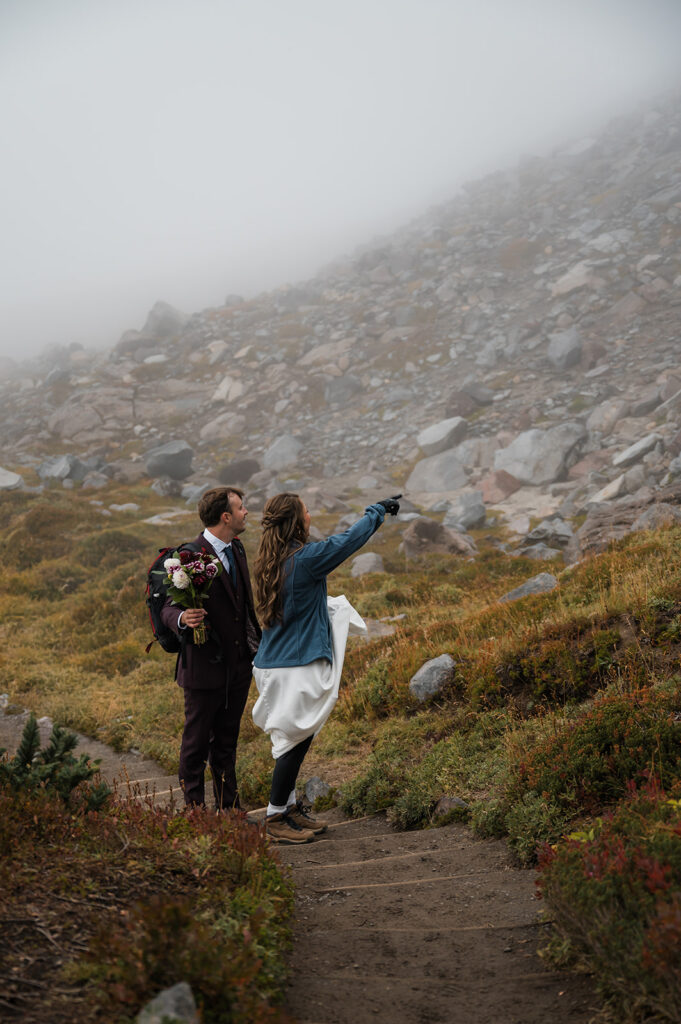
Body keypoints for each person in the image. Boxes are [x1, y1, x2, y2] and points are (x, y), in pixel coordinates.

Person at [252, 492, 400, 844]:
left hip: (277, 662)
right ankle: (275, 816)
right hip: (295, 664)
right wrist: (376, 512)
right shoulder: (303, 560)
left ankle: (287, 810)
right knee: (294, 743)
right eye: (305, 510)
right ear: (295, 520)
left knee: (295, 739)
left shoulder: (273, 560)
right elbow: (346, 543)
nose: (310, 514)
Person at [161, 486, 261, 811]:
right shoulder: (188, 556)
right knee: (195, 745)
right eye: (241, 508)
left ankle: (229, 810)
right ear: (226, 516)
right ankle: (195, 812)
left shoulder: (239, 549)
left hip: (238, 668)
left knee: (227, 743)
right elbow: (165, 607)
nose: (246, 513)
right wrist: (182, 618)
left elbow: (243, 606)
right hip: (203, 670)